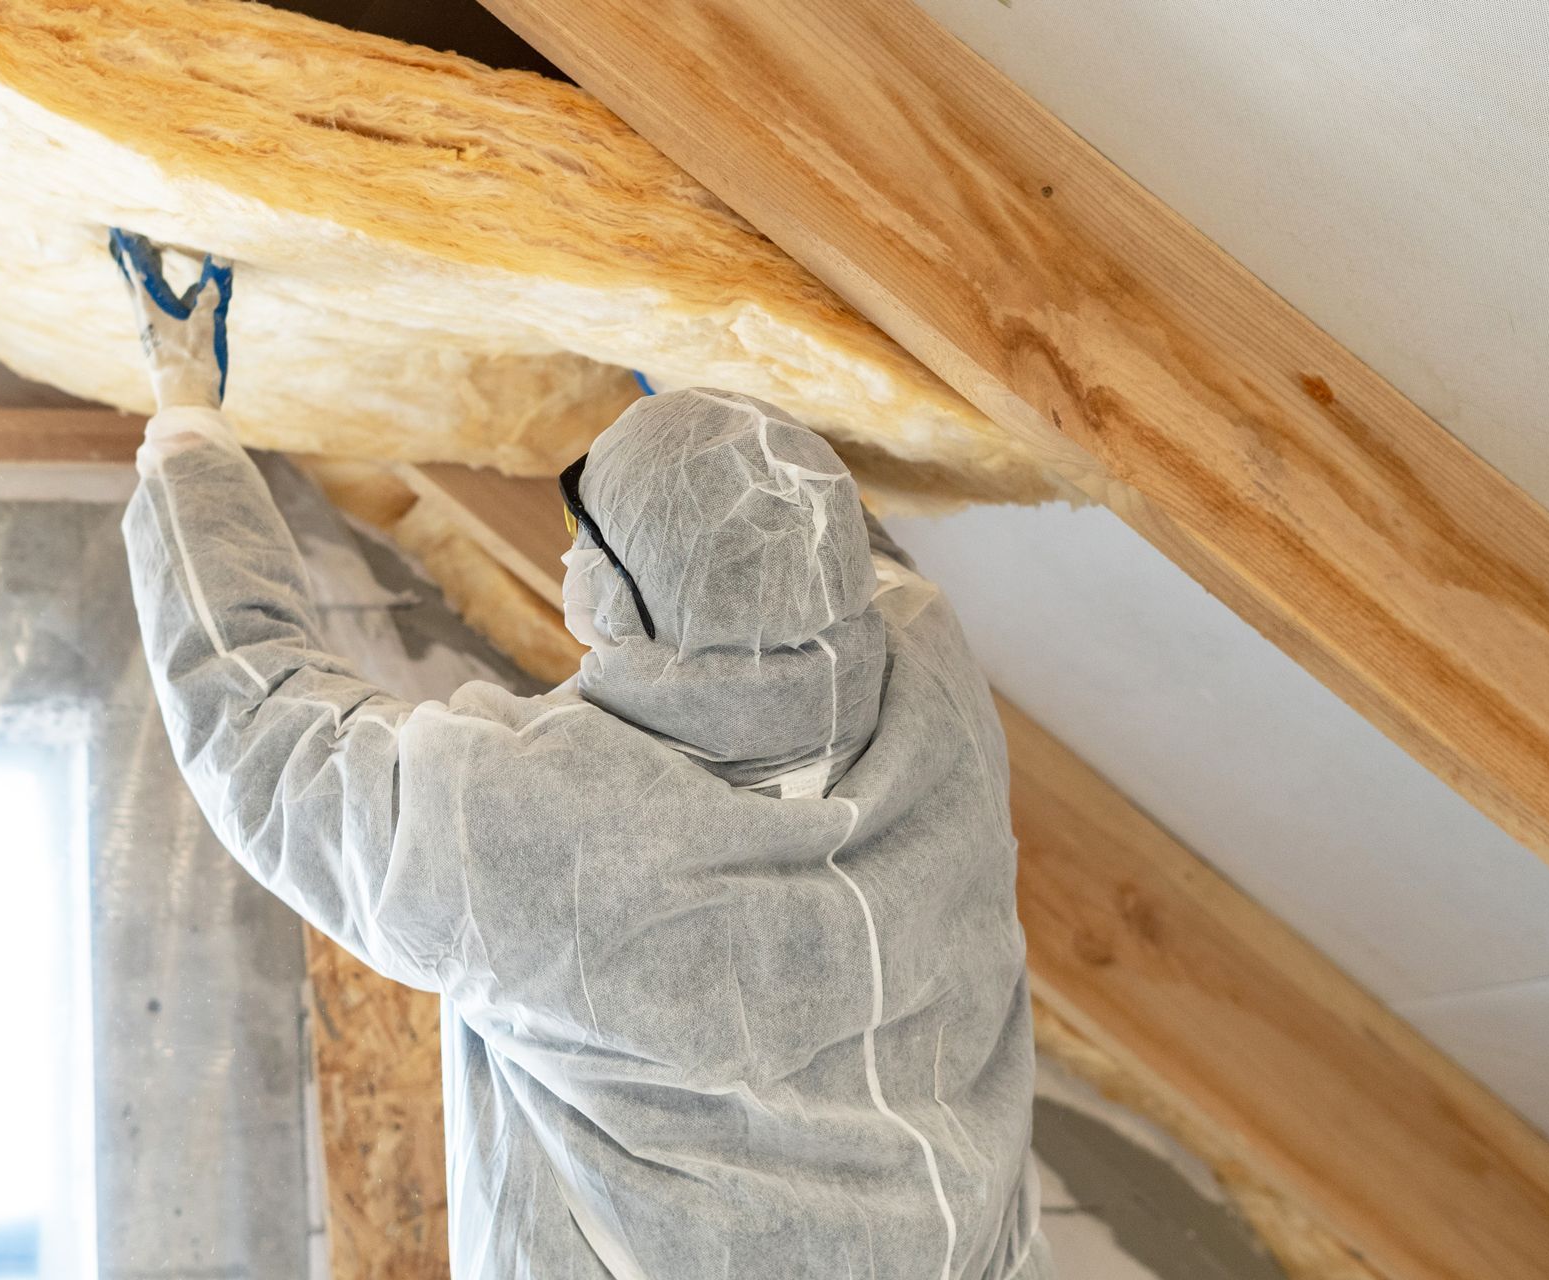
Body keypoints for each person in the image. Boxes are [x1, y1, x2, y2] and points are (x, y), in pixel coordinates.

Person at [112, 229, 1053, 1280]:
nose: (563, 542)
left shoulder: (534, 832)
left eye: (580, 521)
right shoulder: (933, 677)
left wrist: (185, 414)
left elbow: (256, 722)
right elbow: (823, 558)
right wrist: (709, 435)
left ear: (609, 590)